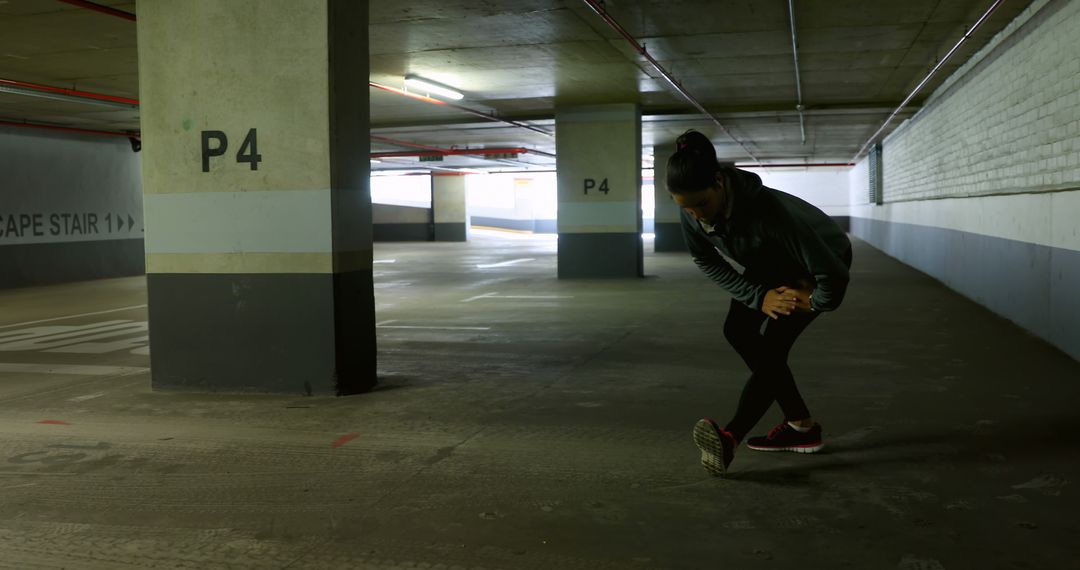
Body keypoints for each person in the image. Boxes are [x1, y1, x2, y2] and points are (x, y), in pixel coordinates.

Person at [666, 130, 853, 476]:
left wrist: (813, 301)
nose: (697, 216)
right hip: (767, 261)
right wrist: (758, 296)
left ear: (719, 182)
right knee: (737, 329)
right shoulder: (693, 208)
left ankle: (730, 436)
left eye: (702, 204)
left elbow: (834, 274)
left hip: (815, 262)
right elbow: (705, 259)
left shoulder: (771, 214)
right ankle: (801, 425)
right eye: (686, 209)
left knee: (773, 348)